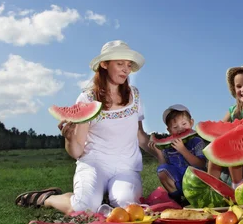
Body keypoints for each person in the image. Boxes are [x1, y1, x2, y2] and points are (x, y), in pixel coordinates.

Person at [15, 40, 153, 214]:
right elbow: (77, 151)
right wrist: (69, 139)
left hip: (126, 166)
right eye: (120, 64)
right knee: (84, 208)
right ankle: (48, 198)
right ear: (104, 64)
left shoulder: (134, 95)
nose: (126, 69)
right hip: (94, 163)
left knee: (127, 205)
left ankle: (104, 197)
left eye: (128, 65)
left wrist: (162, 154)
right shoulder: (87, 99)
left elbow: (140, 135)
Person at [207, 66, 243, 188]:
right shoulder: (233, 110)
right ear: (234, 88)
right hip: (235, 149)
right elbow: (220, 130)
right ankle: (211, 187)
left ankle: (237, 185)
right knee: (214, 154)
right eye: (239, 86)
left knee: (233, 152)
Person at [148, 104, 207, 205]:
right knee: (162, 170)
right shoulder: (168, 147)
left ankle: (193, 198)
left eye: (184, 124)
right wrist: (159, 152)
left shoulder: (196, 141)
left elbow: (200, 164)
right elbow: (164, 165)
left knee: (197, 173)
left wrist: (183, 150)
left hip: (196, 180)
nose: (180, 129)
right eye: (175, 127)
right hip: (178, 180)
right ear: (169, 130)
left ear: (191, 122)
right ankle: (177, 200)